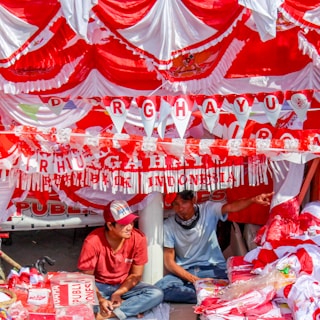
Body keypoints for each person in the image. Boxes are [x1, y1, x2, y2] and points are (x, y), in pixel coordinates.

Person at [155, 190, 273, 304]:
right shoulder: (168, 225)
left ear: (193, 200)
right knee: (160, 289)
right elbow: (169, 262)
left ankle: (207, 293)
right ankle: (215, 294)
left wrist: (252, 200)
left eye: (184, 203)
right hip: (186, 271)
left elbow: (231, 207)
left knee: (244, 283)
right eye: (176, 204)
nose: (180, 209)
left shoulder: (208, 209)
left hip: (214, 268)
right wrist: (196, 280)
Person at [77, 200, 164, 319]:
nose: (130, 227)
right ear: (109, 225)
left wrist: (119, 293)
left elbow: (136, 275)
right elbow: (87, 279)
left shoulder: (138, 238)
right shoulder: (93, 241)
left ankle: (109, 313)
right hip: (99, 286)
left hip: (124, 286)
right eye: (124, 224)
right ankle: (126, 309)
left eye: (131, 222)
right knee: (78, 299)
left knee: (156, 294)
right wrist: (101, 299)